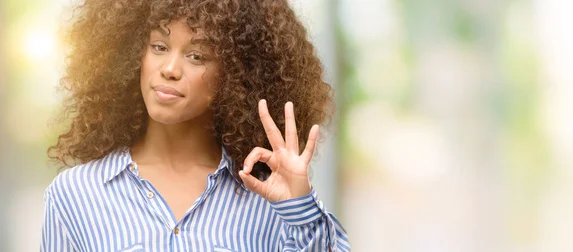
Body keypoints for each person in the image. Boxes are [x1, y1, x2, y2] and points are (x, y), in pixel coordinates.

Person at [40, 0, 350, 251]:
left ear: (234, 74)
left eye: (196, 55)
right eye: (159, 47)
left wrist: (300, 209)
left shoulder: (271, 198)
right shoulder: (75, 194)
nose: (170, 69)